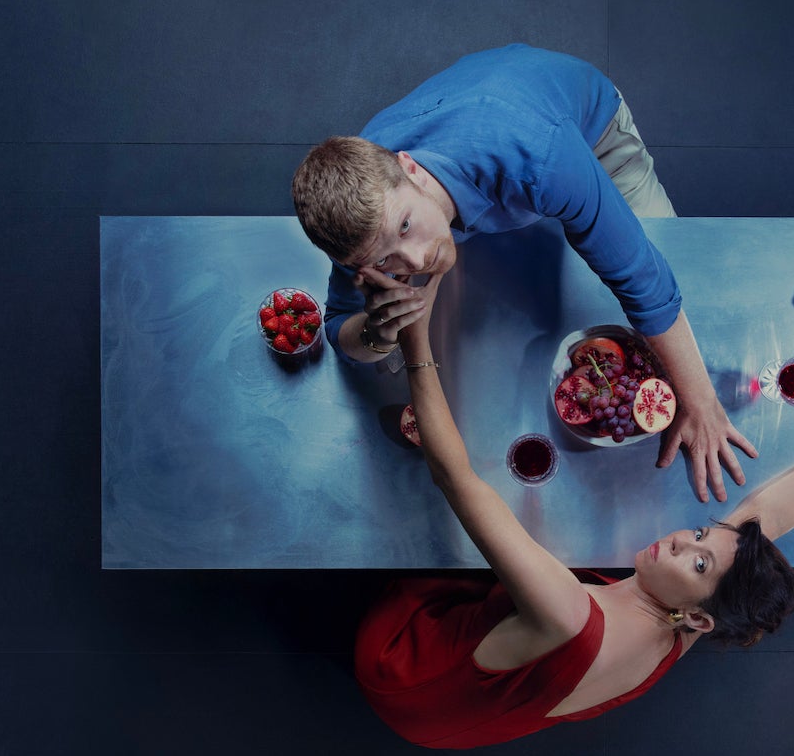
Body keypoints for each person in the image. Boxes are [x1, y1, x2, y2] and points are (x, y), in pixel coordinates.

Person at [353, 270, 794, 749]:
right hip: (454, 724)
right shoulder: (695, 618)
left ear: (699, 618)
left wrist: (416, 340)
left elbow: (455, 479)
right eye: (702, 533)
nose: (682, 541)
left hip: (404, 667)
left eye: (696, 563)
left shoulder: (570, 616)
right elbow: (767, 515)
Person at [291, 43, 754, 504]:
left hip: (586, 137)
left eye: (407, 227)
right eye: (382, 260)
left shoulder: (541, 155)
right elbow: (338, 329)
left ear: (408, 167)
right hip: (491, 131)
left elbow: (643, 279)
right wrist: (377, 332)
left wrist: (701, 401)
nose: (413, 264)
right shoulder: (360, 224)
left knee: (676, 256)